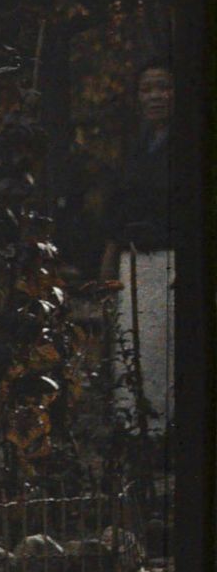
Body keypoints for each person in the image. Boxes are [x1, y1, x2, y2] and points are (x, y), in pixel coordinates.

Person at [100, 57, 173, 439]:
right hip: (135, 263)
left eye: (163, 88)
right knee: (133, 347)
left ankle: (166, 435)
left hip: (172, 261)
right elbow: (118, 207)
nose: (155, 96)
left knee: (165, 349)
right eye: (147, 89)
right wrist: (109, 261)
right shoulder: (136, 148)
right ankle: (136, 433)